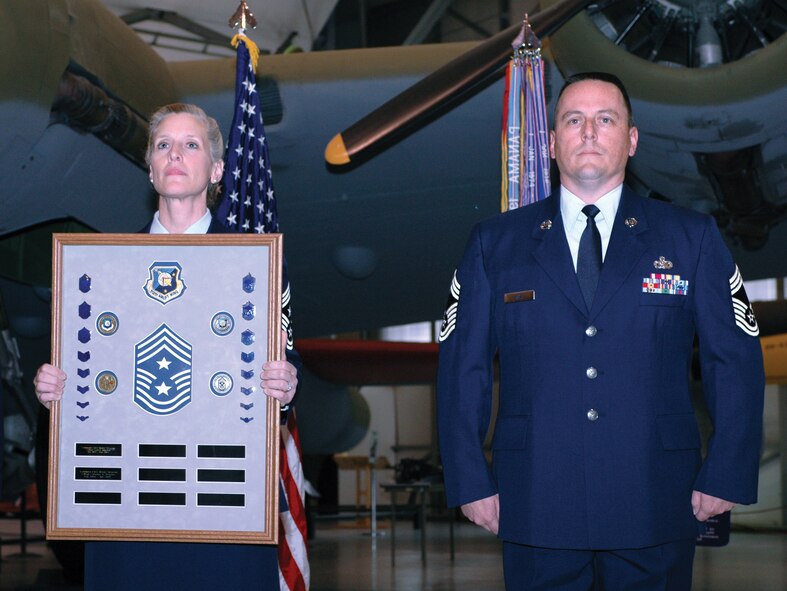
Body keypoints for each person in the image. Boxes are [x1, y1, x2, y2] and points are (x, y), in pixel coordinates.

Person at [436, 72, 764, 590]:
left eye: (605, 119)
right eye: (574, 120)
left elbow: (735, 360)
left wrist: (727, 469)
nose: (589, 132)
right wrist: (469, 477)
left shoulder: (690, 237)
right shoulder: (495, 244)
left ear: (631, 140)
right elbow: (463, 369)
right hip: (535, 500)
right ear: (551, 142)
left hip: (656, 497)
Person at [33, 103, 299, 589]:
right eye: (163, 145)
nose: (175, 154)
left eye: (190, 145)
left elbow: (286, 364)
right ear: (150, 168)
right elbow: (83, 374)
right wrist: (55, 387)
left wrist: (286, 384)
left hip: (227, 502)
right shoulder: (99, 269)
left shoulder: (255, 266)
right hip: (125, 507)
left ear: (216, 170)